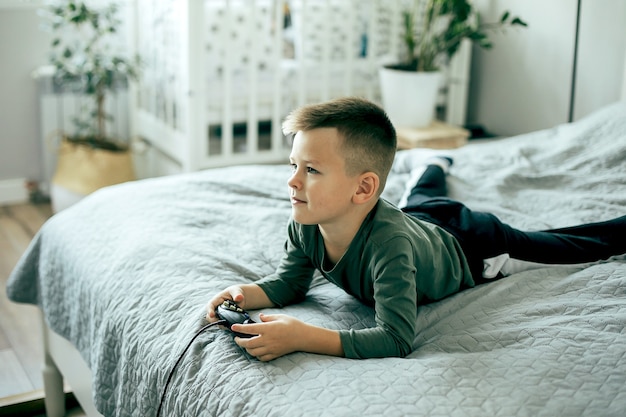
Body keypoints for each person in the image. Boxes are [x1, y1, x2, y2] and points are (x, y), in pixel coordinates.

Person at [205, 97, 626, 361]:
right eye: (293, 165)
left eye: (311, 169)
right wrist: (242, 295)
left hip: (472, 243)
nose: (293, 181)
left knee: (573, 244)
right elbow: (288, 284)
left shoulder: (388, 244)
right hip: (420, 219)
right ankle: (433, 163)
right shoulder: (306, 221)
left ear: (364, 187)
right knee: (420, 199)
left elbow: (395, 337)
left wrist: (303, 336)